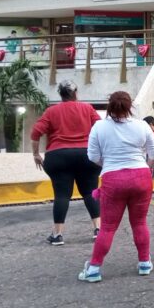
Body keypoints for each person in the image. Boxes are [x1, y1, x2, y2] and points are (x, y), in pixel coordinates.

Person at [78, 92, 154, 282]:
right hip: (141, 176)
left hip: (113, 178)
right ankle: (144, 262)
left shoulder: (99, 127)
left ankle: (94, 269)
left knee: (107, 227)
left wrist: (108, 165)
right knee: (139, 223)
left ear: (109, 106)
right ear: (130, 106)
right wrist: (147, 169)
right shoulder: (142, 125)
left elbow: (92, 156)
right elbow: (153, 154)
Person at [31, 81, 102, 246]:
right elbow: (100, 128)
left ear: (60, 94)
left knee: (62, 195)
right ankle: (98, 230)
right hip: (86, 155)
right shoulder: (87, 108)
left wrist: (36, 154)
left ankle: (57, 234)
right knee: (90, 192)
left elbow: (36, 133)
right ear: (75, 92)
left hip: (58, 156)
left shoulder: (51, 111)